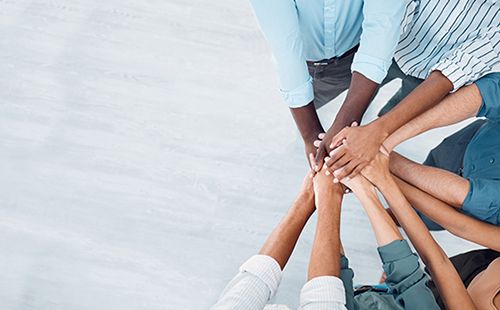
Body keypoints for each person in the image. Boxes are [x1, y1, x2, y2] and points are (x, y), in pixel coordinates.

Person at [249, 0, 499, 178]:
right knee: (332, 98)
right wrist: (312, 133)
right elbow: (286, 46)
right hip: (387, 44)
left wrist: (378, 131)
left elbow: (450, 73)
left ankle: (375, 124)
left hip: (428, 78)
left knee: (394, 115)